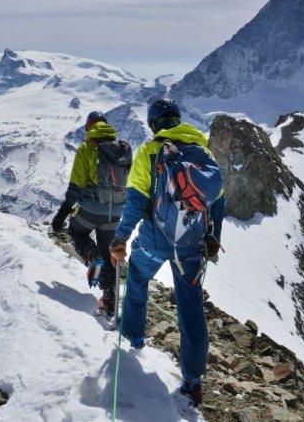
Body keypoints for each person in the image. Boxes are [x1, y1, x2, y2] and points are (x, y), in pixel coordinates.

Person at [109, 98, 225, 400]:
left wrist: (120, 238)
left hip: (154, 240)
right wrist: (213, 237)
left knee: (136, 277)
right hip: (192, 245)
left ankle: (133, 336)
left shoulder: (150, 152)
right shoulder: (203, 153)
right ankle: (192, 378)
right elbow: (218, 202)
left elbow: (135, 202)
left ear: (153, 124)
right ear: (178, 120)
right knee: (190, 306)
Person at [51, 111, 127, 316]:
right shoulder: (122, 149)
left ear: (89, 128)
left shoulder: (86, 148)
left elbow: (76, 185)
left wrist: (62, 214)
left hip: (90, 210)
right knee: (109, 251)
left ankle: (92, 258)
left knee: (78, 233)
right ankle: (109, 303)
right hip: (115, 213)